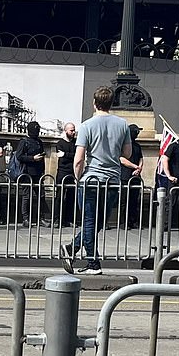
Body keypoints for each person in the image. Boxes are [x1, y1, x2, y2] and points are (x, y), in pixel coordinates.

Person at [60, 86, 132, 276]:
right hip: (112, 181)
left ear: (94, 103)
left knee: (90, 221)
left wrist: (78, 177)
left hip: (91, 179)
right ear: (111, 103)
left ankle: (92, 262)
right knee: (98, 223)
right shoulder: (123, 125)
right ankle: (73, 249)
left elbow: (79, 158)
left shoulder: (86, 126)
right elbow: (127, 153)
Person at [15, 121, 49, 228]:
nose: (37, 131)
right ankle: (26, 219)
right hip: (26, 172)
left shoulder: (39, 141)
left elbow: (43, 158)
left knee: (41, 196)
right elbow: (19, 156)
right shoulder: (24, 141)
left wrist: (43, 170)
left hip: (38, 173)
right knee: (26, 196)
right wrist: (32, 158)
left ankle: (40, 218)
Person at [118, 124, 144, 229]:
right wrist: (135, 167)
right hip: (125, 175)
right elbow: (121, 159)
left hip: (136, 176)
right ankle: (123, 222)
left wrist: (139, 168)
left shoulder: (137, 146)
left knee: (134, 200)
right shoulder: (122, 144)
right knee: (124, 200)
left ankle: (133, 221)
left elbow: (141, 158)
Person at [55, 122, 77, 227]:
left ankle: (69, 219)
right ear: (66, 131)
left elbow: (77, 156)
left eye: (74, 130)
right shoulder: (60, 143)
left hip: (73, 172)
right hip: (62, 172)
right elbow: (62, 158)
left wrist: (65, 155)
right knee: (59, 197)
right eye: (71, 130)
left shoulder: (76, 143)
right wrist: (69, 156)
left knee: (71, 197)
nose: (73, 132)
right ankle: (57, 219)